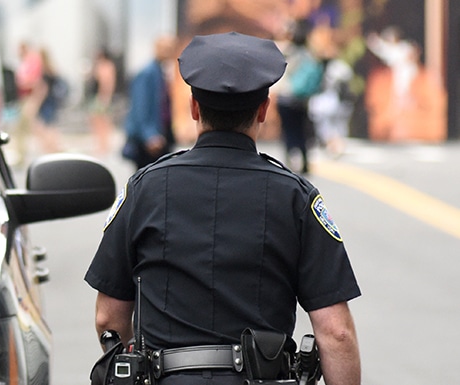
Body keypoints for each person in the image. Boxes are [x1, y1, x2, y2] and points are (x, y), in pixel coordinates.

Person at [85, 32, 361, 385]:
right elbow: (336, 332)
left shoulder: (145, 189)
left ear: (194, 108)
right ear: (263, 110)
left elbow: (108, 317)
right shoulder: (295, 197)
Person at [274, 19, 324, 174]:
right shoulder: (310, 56)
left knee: (288, 131)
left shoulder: (287, 53)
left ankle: (289, 162)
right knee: (302, 131)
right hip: (302, 101)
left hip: (285, 98)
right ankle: (305, 162)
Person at [121, 36, 176, 170]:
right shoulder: (147, 73)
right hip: (150, 139)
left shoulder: (160, 71)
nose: (169, 52)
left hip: (161, 133)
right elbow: (140, 106)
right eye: (165, 48)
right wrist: (149, 135)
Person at [87, 48, 118, 158]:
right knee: (97, 121)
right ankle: (101, 144)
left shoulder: (106, 66)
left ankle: (103, 145)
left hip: (101, 97)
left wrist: (105, 98)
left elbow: (107, 83)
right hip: (97, 96)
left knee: (102, 122)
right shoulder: (100, 66)